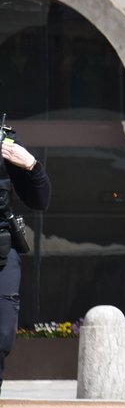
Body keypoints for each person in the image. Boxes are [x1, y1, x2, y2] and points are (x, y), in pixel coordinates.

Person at [0, 123, 51, 394]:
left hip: (1, 255)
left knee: (1, 337)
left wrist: (32, 166)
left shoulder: (5, 140)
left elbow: (40, 200)